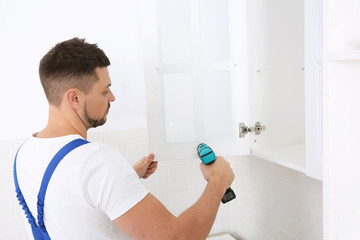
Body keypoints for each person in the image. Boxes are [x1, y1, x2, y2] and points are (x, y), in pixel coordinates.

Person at [14, 38, 235, 240]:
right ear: (74, 97)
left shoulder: (25, 153)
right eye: (104, 91)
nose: (112, 97)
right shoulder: (98, 161)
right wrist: (217, 182)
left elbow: (69, 202)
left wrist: (124, 178)